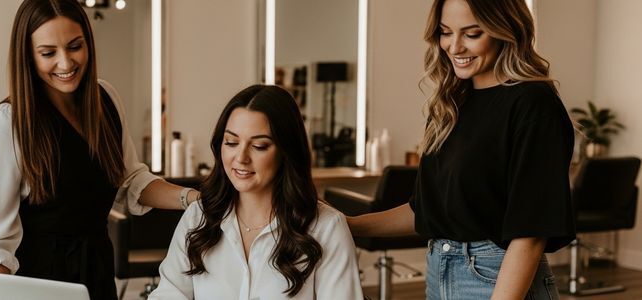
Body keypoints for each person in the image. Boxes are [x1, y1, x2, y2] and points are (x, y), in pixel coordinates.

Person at [0, 0, 200, 299]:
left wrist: (194, 199)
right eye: (48, 53)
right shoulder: (6, 125)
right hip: (40, 286)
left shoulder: (105, 100)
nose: (65, 64)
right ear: (27, 55)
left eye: (75, 46)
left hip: (98, 276)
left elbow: (131, 181)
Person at [347, 0, 574, 299]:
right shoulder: (449, 105)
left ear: (504, 30)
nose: (454, 47)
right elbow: (427, 211)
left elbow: (529, 233)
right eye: (445, 32)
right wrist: (345, 225)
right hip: (440, 272)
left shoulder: (532, 103)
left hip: (497, 279)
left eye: (472, 33)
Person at [150, 85, 362, 299]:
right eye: (231, 142)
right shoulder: (198, 217)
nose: (241, 157)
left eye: (259, 146)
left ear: (286, 152)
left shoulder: (326, 228)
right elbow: (168, 294)